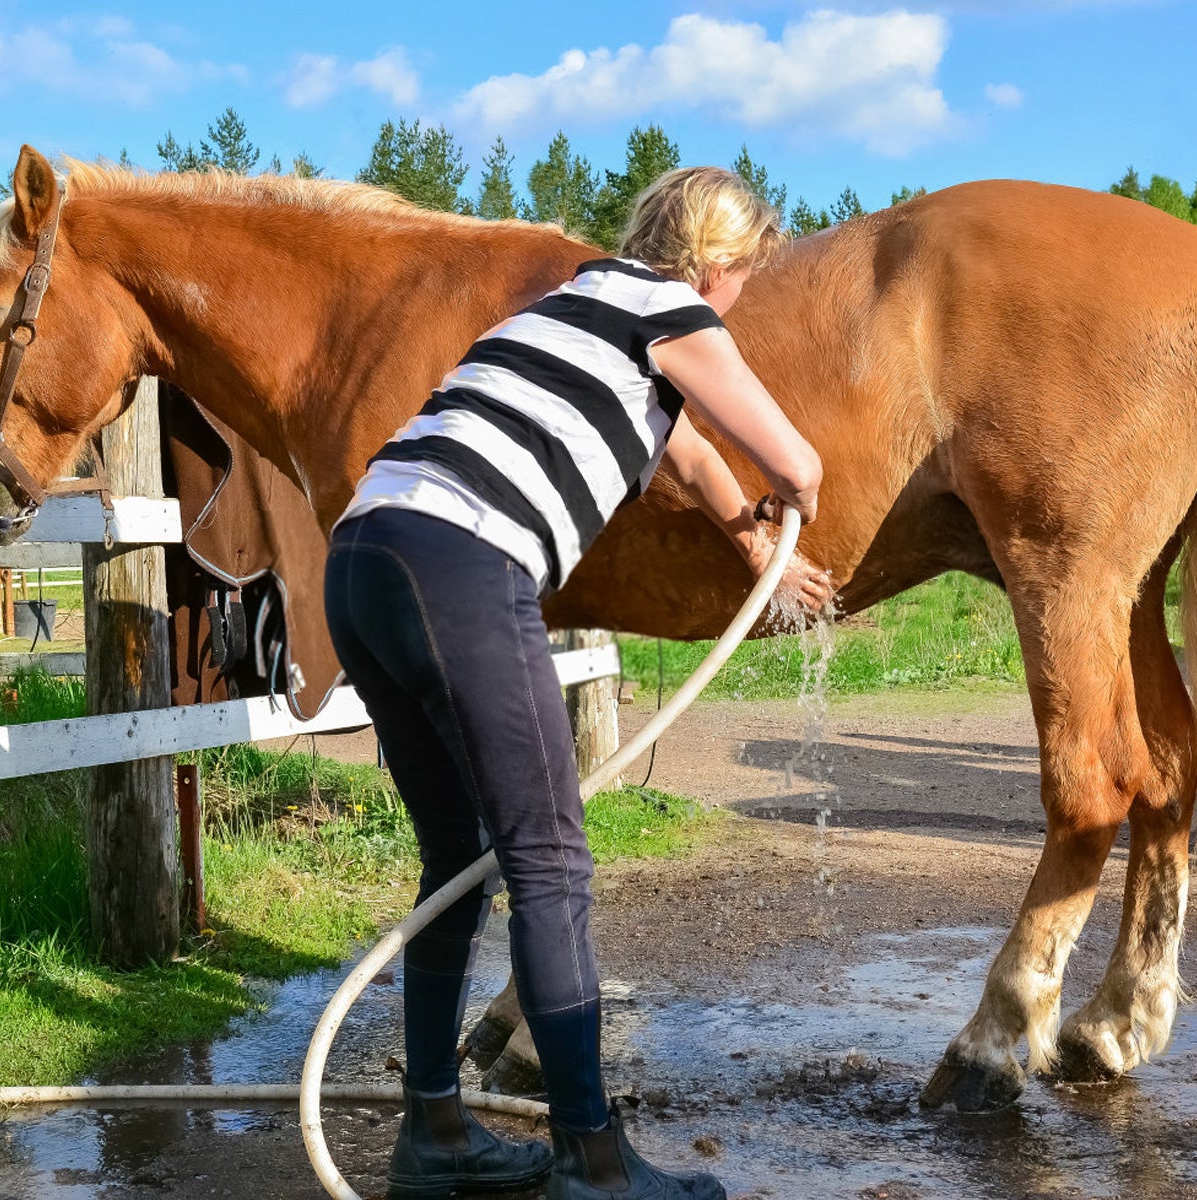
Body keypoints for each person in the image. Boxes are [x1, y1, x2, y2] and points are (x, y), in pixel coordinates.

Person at [326, 166, 829, 1200]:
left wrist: (750, 549)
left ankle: (434, 1135)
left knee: (459, 852)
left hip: (366, 557)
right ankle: (591, 1160)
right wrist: (794, 502)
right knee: (548, 863)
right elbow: (793, 458)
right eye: (744, 276)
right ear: (721, 263)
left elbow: (686, 458)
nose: (735, 299)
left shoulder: (570, 312)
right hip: (463, 561)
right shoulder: (672, 305)